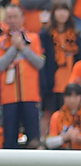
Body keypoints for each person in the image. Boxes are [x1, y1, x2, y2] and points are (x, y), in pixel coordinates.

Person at [0, 4, 45, 150]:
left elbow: (39, 63)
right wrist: (14, 47)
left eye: (15, 17)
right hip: (9, 97)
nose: (12, 20)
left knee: (34, 139)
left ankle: (36, 165)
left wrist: (22, 47)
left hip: (30, 96)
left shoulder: (34, 38)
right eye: (9, 17)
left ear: (22, 18)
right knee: (10, 139)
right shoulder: (2, 41)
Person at [41, 1, 81, 133]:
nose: (62, 14)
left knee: (71, 113)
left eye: (65, 10)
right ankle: (44, 139)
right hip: (52, 82)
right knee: (48, 113)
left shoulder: (75, 35)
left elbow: (80, 59)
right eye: (58, 10)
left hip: (70, 81)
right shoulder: (45, 35)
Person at [45, 83, 81, 149]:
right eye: (69, 96)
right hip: (62, 151)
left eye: (75, 96)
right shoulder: (56, 116)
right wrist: (65, 137)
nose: (72, 100)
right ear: (64, 98)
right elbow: (49, 142)